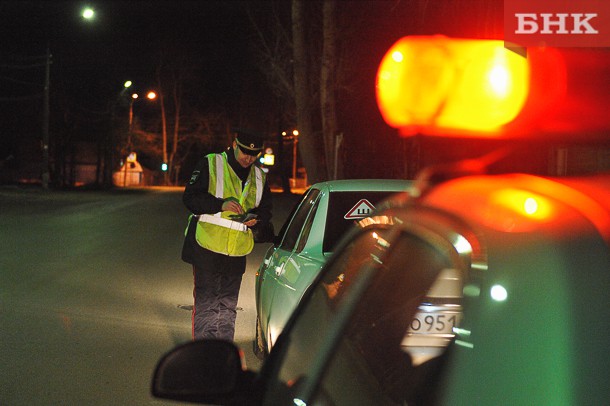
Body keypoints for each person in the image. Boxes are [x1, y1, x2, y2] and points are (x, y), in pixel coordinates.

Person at [181, 129, 273, 341]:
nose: (248, 157)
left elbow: (266, 210)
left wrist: (257, 220)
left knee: (228, 305)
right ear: (234, 144)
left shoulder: (259, 177)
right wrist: (219, 205)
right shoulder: (211, 163)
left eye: (254, 154)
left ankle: (223, 352)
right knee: (207, 303)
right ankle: (204, 353)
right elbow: (190, 198)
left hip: (237, 250)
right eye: (244, 151)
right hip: (207, 246)